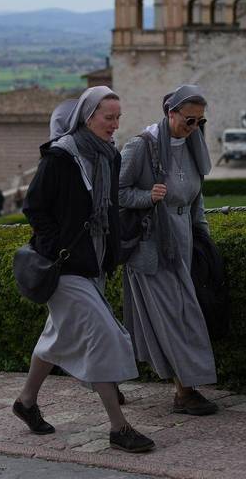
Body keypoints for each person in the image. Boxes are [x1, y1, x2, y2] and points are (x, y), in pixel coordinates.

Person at [13, 88, 154, 454]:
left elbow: (108, 210)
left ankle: (26, 402)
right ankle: (118, 427)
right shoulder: (61, 156)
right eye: (109, 117)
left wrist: (111, 252)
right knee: (104, 335)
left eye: (118, 117)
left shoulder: (109, 156)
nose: (115, 124)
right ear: (88, 117)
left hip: (93, 263)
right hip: (64, 268)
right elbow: (34, 208)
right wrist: (56, 243)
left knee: (57, 336)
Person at [117, 84, 219, 416]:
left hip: (183, 246)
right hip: (151, 249)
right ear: (170, 113)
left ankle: (108, 377)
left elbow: (196, 200)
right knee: (175, 316)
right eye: (189, 121)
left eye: (200, 123)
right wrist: (148, 197)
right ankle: (184, 391)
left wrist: (204, 240)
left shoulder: (192, 146)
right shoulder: (141, 147)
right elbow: (114, 194)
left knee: (175, 315)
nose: (194, 128)